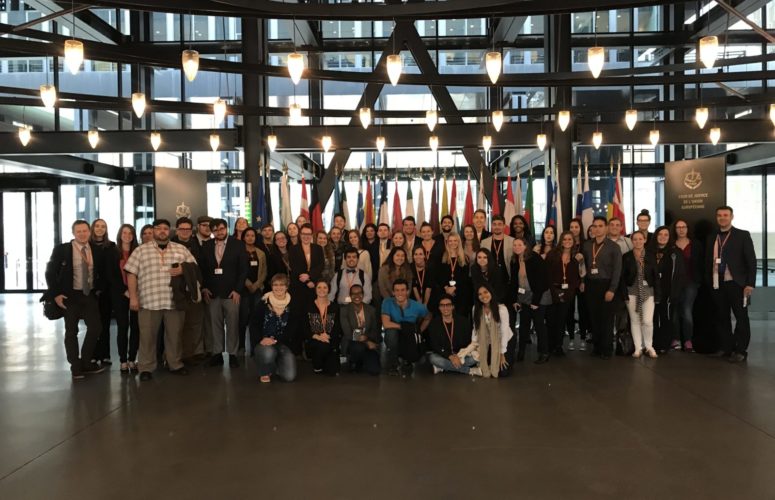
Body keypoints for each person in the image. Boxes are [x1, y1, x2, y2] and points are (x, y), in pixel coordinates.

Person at [124, 219, 196, 381]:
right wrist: (133, 297)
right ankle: (146, 368)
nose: (162, 231)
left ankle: (175, 364)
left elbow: (194, 268)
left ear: (169, 231)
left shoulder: (180, 249)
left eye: (165, 228)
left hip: (174, 301)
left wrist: (183, 269)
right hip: (149, 301)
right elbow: (131, 274)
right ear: (153, 230)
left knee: (174, 335)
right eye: (159, 228)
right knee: (147, 336)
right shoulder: (141, 250)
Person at [45, 220, 107, 380]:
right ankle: (75, 366)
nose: (82, 234)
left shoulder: (96, 249)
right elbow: (50, 272)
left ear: (89, 231)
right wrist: (56, 294)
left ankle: (86, 362)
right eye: (78, 231)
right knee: (71, 331)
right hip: (69, 296)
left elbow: (101, 271)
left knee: (95, 328)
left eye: (85, 230)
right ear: (73, 233)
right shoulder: (63, 249)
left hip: (89, 295)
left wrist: (98, 290)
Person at [706, 206, 756, 363]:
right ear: (716, 218)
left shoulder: (742, 235)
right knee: (721, 317)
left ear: (732, 217)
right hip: (717, 283)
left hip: (737, 283)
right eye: (719, 215)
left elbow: (751, 261)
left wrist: (750, 284)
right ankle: (726, 348)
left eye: (725, 215)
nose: (722, 218)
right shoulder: (712, 236)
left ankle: (740, 350)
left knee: (741, 317)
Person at [200, 218, 249, 368]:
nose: (219, 232)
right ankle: (217, 353)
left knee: (233, 324)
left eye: (221, 229)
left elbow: (243, 270)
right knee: (215, 325)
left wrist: (238, 290)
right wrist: (204, 287)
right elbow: (202, 269)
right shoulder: (206, 245)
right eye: (215, 230)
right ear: (212, 232)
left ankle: (233, 354)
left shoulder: (238, 244)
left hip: (232, 293)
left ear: (226, 228)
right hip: (212, 292)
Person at [582, 216, 622, 360]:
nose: (597, 229)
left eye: (600, 226)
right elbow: (583, 266)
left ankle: (607, 349)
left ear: (606, 228)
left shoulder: (613, 247)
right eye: (594, 226)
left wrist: (612, 289)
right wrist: (582, 281)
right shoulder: (587, 245)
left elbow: (617, 270)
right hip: (591, 284)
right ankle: (597, 347)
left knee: (606, 318)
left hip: (606, 284)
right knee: (594, 317)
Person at [250, 273, 301, 383]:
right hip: (264, 342)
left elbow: (293, 329)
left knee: (289, 377)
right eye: (275, 285)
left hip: (283, 343)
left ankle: (276, 364)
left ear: (287, 286)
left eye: (282, 285)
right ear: (272, 286)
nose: (278, 287)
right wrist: (262, 339)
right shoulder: (263, 302)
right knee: (268, 353)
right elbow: (254, 325)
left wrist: (275, 340)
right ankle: (264, 370)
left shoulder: (293, 304)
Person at [106, 224, 140, 373]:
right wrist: (125, 291)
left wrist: (134, 292)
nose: (127, 235)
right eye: (124, 233)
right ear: (120, 235)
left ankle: (133, 359)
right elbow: (111, 275)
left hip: (137, 293)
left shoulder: (138, 252)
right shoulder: (113, 252)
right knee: (122, 327)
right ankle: (123, 361)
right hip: (119, 295)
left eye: (130, 233)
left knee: (136, 327)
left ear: (133, 236)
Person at [510, 237, 550, 364]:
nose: (517, 247)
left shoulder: (534, 258)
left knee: (539, 325)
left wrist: (535, 302)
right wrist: (515, 299)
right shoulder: (515, 260)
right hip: (524, 296)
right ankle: (521, 352)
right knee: (523, 325)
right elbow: (514, 283)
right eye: (514, 245)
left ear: (526, 246)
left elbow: (542, 281)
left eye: (519, 244)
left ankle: (544, 352)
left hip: (539, 295)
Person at [621, 231, 661, 358]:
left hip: (648, 291)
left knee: (648, 321)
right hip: (631, 292)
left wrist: (658, 294)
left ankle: (649, 346)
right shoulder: (626, 256)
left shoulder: (651, 256)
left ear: (645, 240)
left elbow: (656, 277)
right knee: (635, 320)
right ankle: (638, 347)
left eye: (640, 239)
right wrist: (624, 295)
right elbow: (622, 278)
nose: (638, 242)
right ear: (631, 241)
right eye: (635, 239)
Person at [380, 279, 432, 375]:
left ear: (408, 291)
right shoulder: (387, 302)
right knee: (391, 333)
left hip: (410, 336)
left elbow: (428, 317)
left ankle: (407, 360)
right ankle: (393, 364)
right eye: (397, 290)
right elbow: (386, 324)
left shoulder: (417, 306)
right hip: (394, 333)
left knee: (421, 360)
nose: (400, 293)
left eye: (403, 290)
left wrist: (419, 331)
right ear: (393, 292)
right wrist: (404, 327)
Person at [172, 217, 205, 362]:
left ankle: (195, 352)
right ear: (177, 230)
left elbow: (202, 267)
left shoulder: (198, 244)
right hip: (177, 290)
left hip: (195, 289)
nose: (185, 232)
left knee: (196, 322)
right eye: (182, 229)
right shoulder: (170, 244)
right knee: (178, 326)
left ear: (192, 231)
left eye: (187, 229)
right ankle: (179, 355)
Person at [546, 231, 583, 357]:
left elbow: (577, 278)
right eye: (565, 239)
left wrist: (569, 292)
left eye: (570, 239)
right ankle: (550, 345)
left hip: (568, 293)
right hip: (553, 292)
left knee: (562, 320)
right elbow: (547, 275)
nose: (567, 241)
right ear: (561, 241)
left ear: (573, 241)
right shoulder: (552, 255)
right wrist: (554, 292)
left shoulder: (576, 258)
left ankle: (558, 346)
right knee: (551, 320)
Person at [427, 294, 482, 376]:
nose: (445, 308)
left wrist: (458, 356)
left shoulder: (463, 322)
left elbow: (468, 342)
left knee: (476, 357)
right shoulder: (434, 324)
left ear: (453, 307)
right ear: (439, 308)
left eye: (448, 305)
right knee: (432, 358)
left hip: (462, 355)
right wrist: (450, 356)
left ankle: (443, 367)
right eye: (442, 305)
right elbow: (435, 345)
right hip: (444, 355)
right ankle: (469, 370)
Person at [653, 226, 686, 354]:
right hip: (652, 290)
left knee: (666, 317)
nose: (662, 237)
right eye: (660, 234)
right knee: (653, 318)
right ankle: (653, 343)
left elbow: (680, 274)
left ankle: (664, 344)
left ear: (669, 237)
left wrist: (675, 292)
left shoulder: (675, 252)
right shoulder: (649, 251)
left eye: (666, 235)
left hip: (668, 291)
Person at [672, 219, 703, 352]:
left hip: (691, 282)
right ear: (675, 229)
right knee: (674, 312)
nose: (681, 229)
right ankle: (676, 339)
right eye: (678, 227)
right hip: (673, 284)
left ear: (687, 229)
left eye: (683, 227)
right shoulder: (671, 244)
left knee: (686, 310)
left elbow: (701, 263)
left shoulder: (695, 244)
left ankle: (688, 341)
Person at [472, 284, 513, 377]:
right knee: (483, 366)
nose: (483, 296)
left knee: (503, 372)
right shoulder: (476, 309)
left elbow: (504, 331)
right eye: (480, 294)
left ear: (491, 292)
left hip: (504, 341)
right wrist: (474, 344)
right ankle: (487, 365)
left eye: (485, 292)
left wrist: (502, 354)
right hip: (487, 341)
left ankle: (492, 365)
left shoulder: (502, 309)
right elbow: (475, 328)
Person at [339, 284, 381, 375]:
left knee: (375, 371)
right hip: (352, 343)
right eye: (353, 294)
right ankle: (353, 361)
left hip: (368, 342)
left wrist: (369, 339)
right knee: (358, 347)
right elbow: (348, 333)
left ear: (363, 294)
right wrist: (366, 341)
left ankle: (362, 361)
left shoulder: (371, 310)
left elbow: (375, 330)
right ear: (350, 296)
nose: (357, 296)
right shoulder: (344, 310)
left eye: (359, 293)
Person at [90, 218, 116, 366]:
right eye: (97, 226)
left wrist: (103, 288)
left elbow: (111, 271)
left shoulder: (111, 246)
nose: (100, 229)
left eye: (103, 227)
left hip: (106, 291)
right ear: (93, 228)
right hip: (90, 291)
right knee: (93, 325)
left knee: (105, 324)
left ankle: (105, 354)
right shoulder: (87, 245)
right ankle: (93, 354)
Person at [304, 280, 343, 375]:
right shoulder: (308, 306)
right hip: (314, 339)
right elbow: (304, 327)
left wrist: (328, 336)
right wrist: (317, 336)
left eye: (325, 287)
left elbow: (338, 326)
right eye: (319, 287)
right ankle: (317, 364)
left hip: (330, 339)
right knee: (322, 347)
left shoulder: (335, 307)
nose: (322, 290)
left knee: (333, 372)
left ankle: (324, 362)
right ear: (315, 290)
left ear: (329, 290)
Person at [239, 228, 267, 356]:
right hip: (243, 289)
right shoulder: (238, 252)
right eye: (248, 235)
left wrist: (256, 285)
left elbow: (264, 272)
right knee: (243, 318)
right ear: (243, 237)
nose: (250, 238)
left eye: (253, 235)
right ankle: (241, 347)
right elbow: (236, 270)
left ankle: (255, 347)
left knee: (256, 319)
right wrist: (248, 283)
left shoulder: (260, 253)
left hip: (257, 290)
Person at [608, 216, 632, 355]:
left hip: (624, 283)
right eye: (612, 224)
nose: (615, 227)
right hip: (607, 282)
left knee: (622, 315)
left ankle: (621, 343)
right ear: (608, 227)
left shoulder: (629, 242)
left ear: (621, 227)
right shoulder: (603, 242)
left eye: (618, 225)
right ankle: (607, 339)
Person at [435, 233, 472, 318]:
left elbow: (465, 278)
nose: (453, 243)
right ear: (447, 242)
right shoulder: (442, 256)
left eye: (455, 240)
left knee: (459, 317)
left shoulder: (465, 258)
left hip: (460, 293)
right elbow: (439, 276)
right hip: (445, 293)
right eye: (450, 241)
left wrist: (454, 288)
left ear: (459, 242)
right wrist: (446, 288)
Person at [288, 224, 324, 305]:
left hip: (314, 284)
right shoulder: (293, 249)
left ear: (311, 235)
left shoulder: (318, 248)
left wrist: (310, 276)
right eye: (304, 234)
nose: (306, 236)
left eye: (308, 234)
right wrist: (307, 281)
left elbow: (321, 265)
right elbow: (294, 266)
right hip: (298, 285)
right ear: (300, 234)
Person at [567, 217, 588, 350]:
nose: (574, 229)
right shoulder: (566, 243)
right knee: (569, 310)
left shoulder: (586, 244)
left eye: (576, 227)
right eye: (572, 227)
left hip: (582, 282)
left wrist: (583, 281)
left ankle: (583, 338)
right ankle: (570, 337)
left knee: (582, 310)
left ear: (580, 229)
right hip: (568, 282)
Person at [481, 215, 515, 283]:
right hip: (490, 280)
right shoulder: (484, 242)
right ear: (492, 226)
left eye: (500, 224)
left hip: (507, 280)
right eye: (494, 224)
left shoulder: (512, 241)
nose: (497, 227)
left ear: (504, 226)